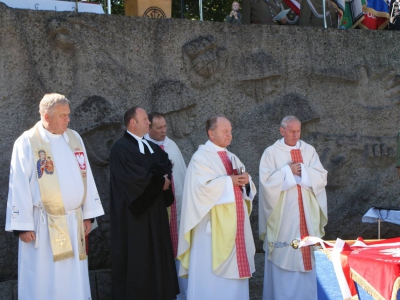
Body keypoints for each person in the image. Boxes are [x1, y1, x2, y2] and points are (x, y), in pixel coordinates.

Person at [5, 93, 105, 300]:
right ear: (46, 116)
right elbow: (19, 186)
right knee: (44, 278)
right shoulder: (27, 142)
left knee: (73, 278)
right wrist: (22, 226)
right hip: (42, 226)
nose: (67, 119)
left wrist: (89, 215)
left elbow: (86, 176)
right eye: (62, 116)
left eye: (68, 115)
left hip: (73, 222)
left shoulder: (74, 138)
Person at [177, 115, 257, 300]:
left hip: (235, 226)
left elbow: (246, 187)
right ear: (211, 133)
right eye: (225, 131)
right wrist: (229, 181)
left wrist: (246, 182)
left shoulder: (232, 157)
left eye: (230, 131)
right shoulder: (201, 158)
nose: (229, 135)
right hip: (210, 230)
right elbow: (200, 190)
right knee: (211, 278)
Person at [109, 106, 179, 300]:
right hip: (134, 218)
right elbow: (135, 180)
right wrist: (159, 181)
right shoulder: (120, 149)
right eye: (145, 120)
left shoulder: (152, 148)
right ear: (133, 122)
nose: (149, 122)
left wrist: (159, 179)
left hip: (155, 214)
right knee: (139, 262)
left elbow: (165, 165)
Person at [258, 115, 328, 300]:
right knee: (283, 254)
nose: (296, 135)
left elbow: (322, 176)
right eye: (292, 131)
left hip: (307, 213)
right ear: (282, 131)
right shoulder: (271, 152)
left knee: (308, 253)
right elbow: (266, 184)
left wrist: (303, 172)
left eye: (298, 131)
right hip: (283, 217)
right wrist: (287, 173)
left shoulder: (309, 150)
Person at [144, 112, 188, 299]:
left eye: (165, 126)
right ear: (149, 128)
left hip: (177, 206)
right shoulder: (144, 147)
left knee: (180, 250)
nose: (164, 131)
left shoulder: (172, 145)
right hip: (159, 207)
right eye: (159, 128)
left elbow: (182, 173)